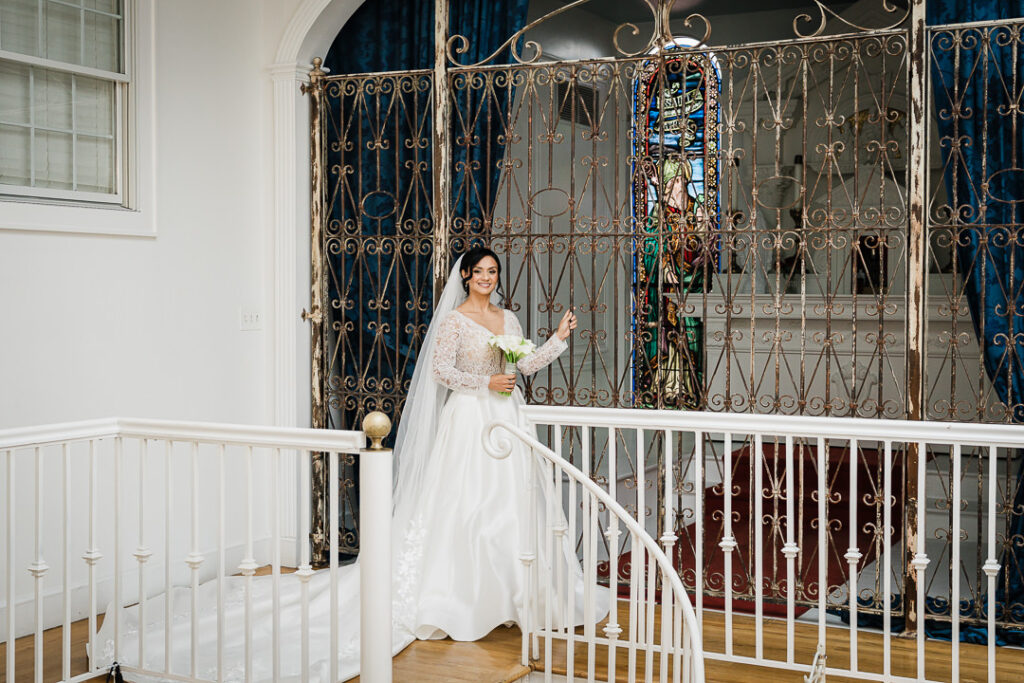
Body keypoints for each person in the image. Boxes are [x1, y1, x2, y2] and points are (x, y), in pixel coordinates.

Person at [92, 246, 601, 681]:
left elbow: (520, 364)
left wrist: (555, 340)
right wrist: (484, 383)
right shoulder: (454, 320)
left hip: (506, 423)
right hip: (468, 423)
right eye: (480, 272)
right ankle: (460, 598)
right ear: (465, 276)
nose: (488, 278)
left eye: (493, 271)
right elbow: (442, 375)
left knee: (511, 509)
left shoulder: (507, 320)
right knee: (465, 510)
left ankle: (514, 598)